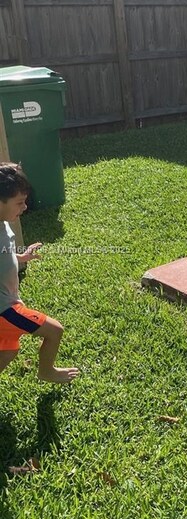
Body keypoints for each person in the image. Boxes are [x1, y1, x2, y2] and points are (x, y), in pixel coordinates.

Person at [0, 163, 79, 383]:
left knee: (8, 351)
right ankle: (47, 372)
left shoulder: (4, 223)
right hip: (4, 310)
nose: (24, 207)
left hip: (9, 303)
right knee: (54, 331)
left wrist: (21, 257)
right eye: (19, 203)